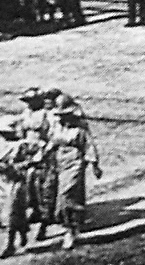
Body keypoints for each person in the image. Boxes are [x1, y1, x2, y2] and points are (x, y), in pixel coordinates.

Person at [49, 101, 102, 250]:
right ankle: (70, 225)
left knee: (68, 195)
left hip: (75, 164)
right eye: (60, 115)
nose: (62, 118)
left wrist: (95, 165)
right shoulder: (57, 127)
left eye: (65, 115)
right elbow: (52, 143)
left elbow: (89, 147)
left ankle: (70, 230)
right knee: (60, 197)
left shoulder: (80, 129)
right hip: (60, 163)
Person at [0, 115, 33, 258]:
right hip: (2, 181)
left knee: (12, 211)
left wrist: (13, 167)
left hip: (16, 182)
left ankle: (9, 245)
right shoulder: (0, 143)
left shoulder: (22, 145)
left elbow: (29, 162)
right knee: (4, 211)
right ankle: (22, 231)